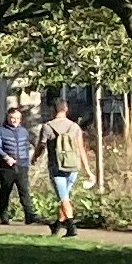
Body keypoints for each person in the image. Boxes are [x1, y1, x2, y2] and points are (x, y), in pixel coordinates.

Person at [37, 91, 90, 234]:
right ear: (66, 109)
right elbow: (81, 149)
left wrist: (34, 158)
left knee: (64, 198)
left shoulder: (48, 127)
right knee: (64, 196)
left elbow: (41, 146)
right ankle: (57, 225)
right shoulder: (74, 127)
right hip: (73, 167)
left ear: (52, 110)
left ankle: (71, 227)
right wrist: (88, 170)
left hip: (57, 168)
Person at [0, 93, 35, 228]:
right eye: (12, 118)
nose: (14, 120)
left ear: (20, 119)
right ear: (8, 118)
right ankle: (4, 217)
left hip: (22, 165)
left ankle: (29, 216)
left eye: (17, 118)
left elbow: (28, 145)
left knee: (24, 191)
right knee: (5, 191)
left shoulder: (24, 131)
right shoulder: (1, 131)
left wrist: (28, 160)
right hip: (6, 167)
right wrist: (6, 157)